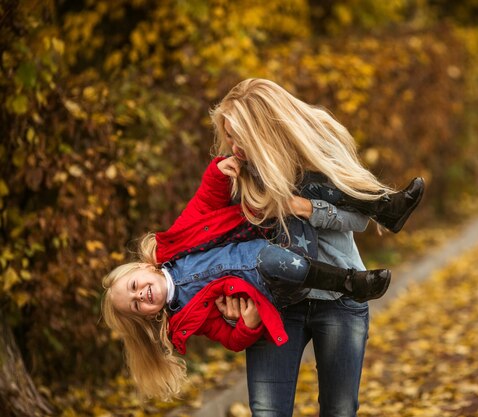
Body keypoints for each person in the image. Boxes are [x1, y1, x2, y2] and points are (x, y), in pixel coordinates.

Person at [101, 155, 408, 400]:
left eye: (134, 287)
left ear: (144, 269)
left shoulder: (175, 243)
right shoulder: (186, 320)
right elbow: (230, 338)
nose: (140, 295)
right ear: (149, 316)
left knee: (304, 188)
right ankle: (350, 282)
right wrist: (246, 326)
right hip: (274, 282)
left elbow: (204, 204)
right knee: (268, 258)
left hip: (278, 238)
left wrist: (218, 174)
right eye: (136, 305)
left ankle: (383, 205)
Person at [210, 78, 425, 416]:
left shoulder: (321, 142)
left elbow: (359, 220)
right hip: (276, 302)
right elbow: (225, 240)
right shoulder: (236, 169)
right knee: (267, 412)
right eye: (229, 136)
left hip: (340, 300)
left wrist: (303, 208)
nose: (233, 146)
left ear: (263, 129)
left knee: (339, 410)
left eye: (239, 137)